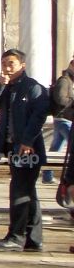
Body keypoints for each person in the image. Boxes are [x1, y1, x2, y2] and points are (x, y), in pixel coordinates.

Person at [0, 48, 50, 251]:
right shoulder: (8, 88)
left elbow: (38, 117)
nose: (7, 68)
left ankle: (16, 236)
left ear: (22, 65)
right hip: (12, 147)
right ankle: (34, 238)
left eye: (11, 64)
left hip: (28, 149)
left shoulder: (33, 88)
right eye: (4, 64)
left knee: (19, 192)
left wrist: (27, 141)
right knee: (28, 192)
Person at [45, 52, 74, 185]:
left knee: (55, 148)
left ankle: (47, 175)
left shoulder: (69, 81)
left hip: (62, 118)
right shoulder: (64, 80)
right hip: (63, 118)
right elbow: (60, 98)